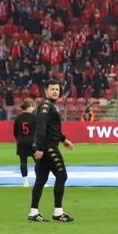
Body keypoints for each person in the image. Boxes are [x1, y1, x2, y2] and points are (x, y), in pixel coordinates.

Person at [28, 79, 75, 222]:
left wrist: (63, 139)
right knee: (62, 175)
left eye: (57, 89)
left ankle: (33, 213)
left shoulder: (51, 106)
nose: (55, 91)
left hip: (47, 145)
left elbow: (51, 128)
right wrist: (40, 148)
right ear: (46, 91)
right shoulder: (46, 106)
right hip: (48, 147)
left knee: (41, 179)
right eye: (52, 89)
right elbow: (41, 127)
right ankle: (58, 212)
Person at [13, 100, 36, 187]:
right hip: (32, 142)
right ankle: (39, 181)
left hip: (21, 142)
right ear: (28, 107)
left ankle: (25, 181)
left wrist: (19, 139)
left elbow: (15, 132)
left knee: (23, 162)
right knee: (38, 162)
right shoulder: (34, 118)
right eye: (31, 107)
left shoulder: (18, 118)